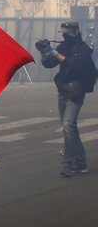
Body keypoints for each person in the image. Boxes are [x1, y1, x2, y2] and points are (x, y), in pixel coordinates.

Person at [35, 20, 97, 178]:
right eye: (62, 33)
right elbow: (49, 64)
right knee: (69, 127)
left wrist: (55, 53)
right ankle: (81, 162)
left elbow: (75, 65)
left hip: (76, 92)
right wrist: (44, 51)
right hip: (63, 90)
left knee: (68, 125)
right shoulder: (63, 46)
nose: (64, 36)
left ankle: (68, 163)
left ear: (75, 32)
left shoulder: (83, 49)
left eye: (66, 33)